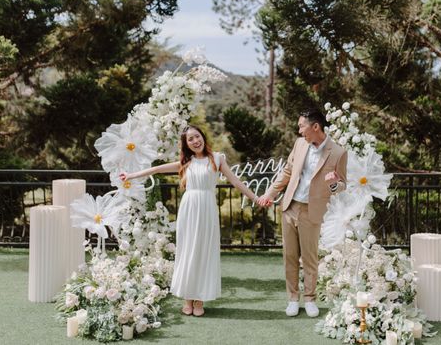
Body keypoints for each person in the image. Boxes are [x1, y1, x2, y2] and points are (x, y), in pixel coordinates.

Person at [120, 125, 259, 317]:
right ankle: (187, 298)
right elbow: (157, 168)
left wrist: (256, 198)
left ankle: (199, 299)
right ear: (186, 144)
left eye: (197, 136)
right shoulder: (185, 162)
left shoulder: (217, 159)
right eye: (190, 139)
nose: (195, 141)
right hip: (189, 209)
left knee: (204, 251)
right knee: (188, 251)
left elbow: (236, 182)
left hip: (208, 209)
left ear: (203, 136)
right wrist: (131, 175)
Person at [257, 108, 347, 317]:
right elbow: (287, 172)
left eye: (301, 126)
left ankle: (310, 298)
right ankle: (292, 298)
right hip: (290, 206)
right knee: (289, 256)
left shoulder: (338, 153)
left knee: (309, 258)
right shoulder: (299, 144)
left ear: (315, 127)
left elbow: (342, 184)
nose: (299, 131)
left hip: (312, 211)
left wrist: (334, 183)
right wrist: (270, 193)